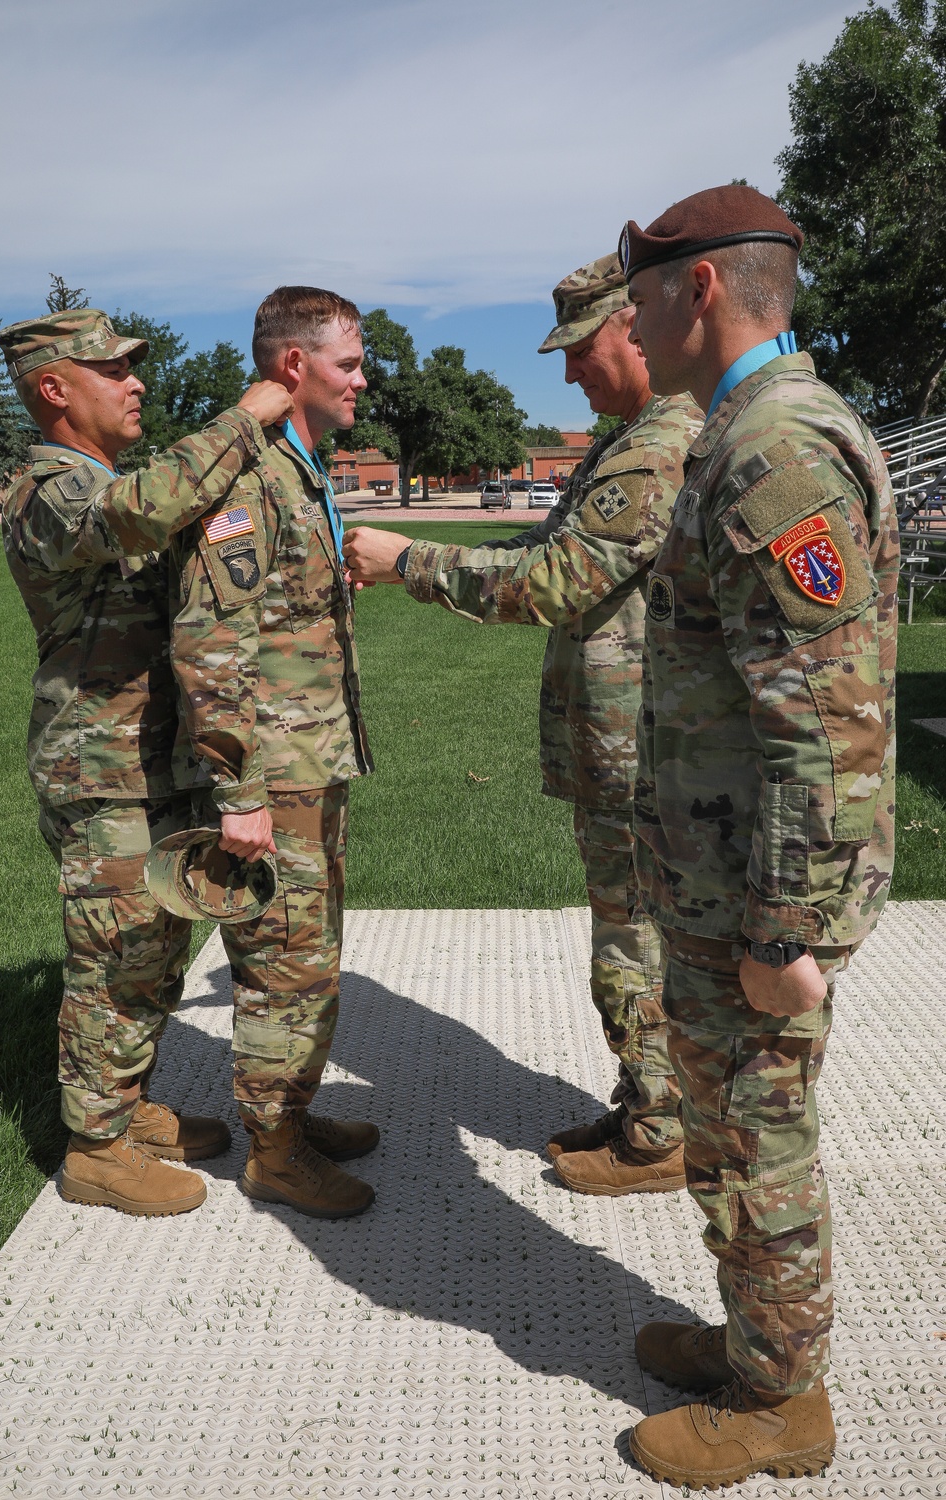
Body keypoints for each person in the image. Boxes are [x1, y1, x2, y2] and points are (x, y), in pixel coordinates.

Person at [619, 185, 898, 1487]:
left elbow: (827, 723)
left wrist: (789, 927)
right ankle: (753, 1343)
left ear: (701, 291)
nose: (627, 317)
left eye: (641, 291)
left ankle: (785, 1404)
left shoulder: (774, 449)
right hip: (720, 874)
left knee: (760, 1136)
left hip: (755, 892)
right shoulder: (742, 430)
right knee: (728, 1130)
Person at [343, 254, 702, 1197]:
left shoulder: (661, 440)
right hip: (621, 743)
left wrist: (407, 559)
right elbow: (544, 547)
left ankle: (662, 1132)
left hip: (644, 752)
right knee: (633, 935)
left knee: (635, 942)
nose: (571, 372)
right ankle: (648, 1102)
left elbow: (554, 582)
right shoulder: (626, 436)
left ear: (632, 327)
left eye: (581, 349)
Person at [0, 308, 294, 1217]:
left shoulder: (103, 479)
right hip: (101, 773)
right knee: (113, 955)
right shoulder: (50, 489)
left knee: (157, 948)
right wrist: (245, 416)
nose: (137, 384)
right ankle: (94, 1149)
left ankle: (126, 1110)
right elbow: (141, 511)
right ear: (55, 388)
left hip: (150, 765)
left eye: (135, 369)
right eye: (113, 371)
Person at [166, 285, 376, 1220]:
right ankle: (273, 1151)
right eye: (348, 363)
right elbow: (208, 640)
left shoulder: (301, 466)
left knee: (309, 957)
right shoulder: (250, 482)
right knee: (282, 962)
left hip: (310, 764)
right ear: (294, 367)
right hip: (274, 776)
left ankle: (290, 1110)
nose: (363, 380)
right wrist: (239, 791)